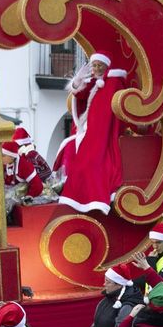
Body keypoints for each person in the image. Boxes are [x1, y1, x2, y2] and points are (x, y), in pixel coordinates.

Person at [57, 53, 126, 214]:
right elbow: (80, 95)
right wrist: (77, 83)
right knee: (68, 147)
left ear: (106, 66)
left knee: (92, 160)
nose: (96, 69)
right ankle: (72, 190)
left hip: (101, 130)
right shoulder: (94, 83)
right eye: (94, 65)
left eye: (99, 66)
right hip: (87, 127)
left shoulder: (114, 82)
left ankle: (93, 197)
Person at [85, 262, 144, 327]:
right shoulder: (105, 301)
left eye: (108, 282)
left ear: (119, 284)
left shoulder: (127, 307)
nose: (104, 284)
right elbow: (95, 325)